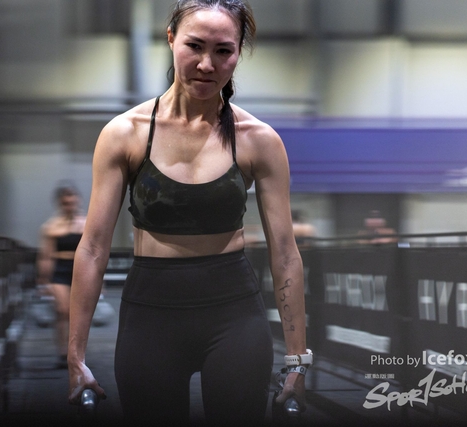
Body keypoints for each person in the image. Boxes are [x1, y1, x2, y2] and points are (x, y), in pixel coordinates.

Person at [67, 1, 309, 425]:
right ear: (170, 39)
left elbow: (286, 253)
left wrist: (297, 361)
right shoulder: (124, 134)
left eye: (223, 51)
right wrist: (76, 356)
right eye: (194, 46)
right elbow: (92, 248)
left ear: (238, 53)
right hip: (151, 316)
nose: (206, 64)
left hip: (234, 313)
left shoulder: (258, 140)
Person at [37, 183, 86, 369]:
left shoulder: (87, 223)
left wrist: (100, 278)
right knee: (62, 310)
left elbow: (95, 252)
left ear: (78, 201)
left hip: (80, 269)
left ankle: (77, 353)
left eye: (72, 202)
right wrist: (43, 280)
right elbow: (46, 255)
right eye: (66, 203)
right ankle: (62, 352)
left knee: (79, 314)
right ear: (60, 203)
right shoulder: (50, 227)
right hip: (60, 269)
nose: (69, 206)